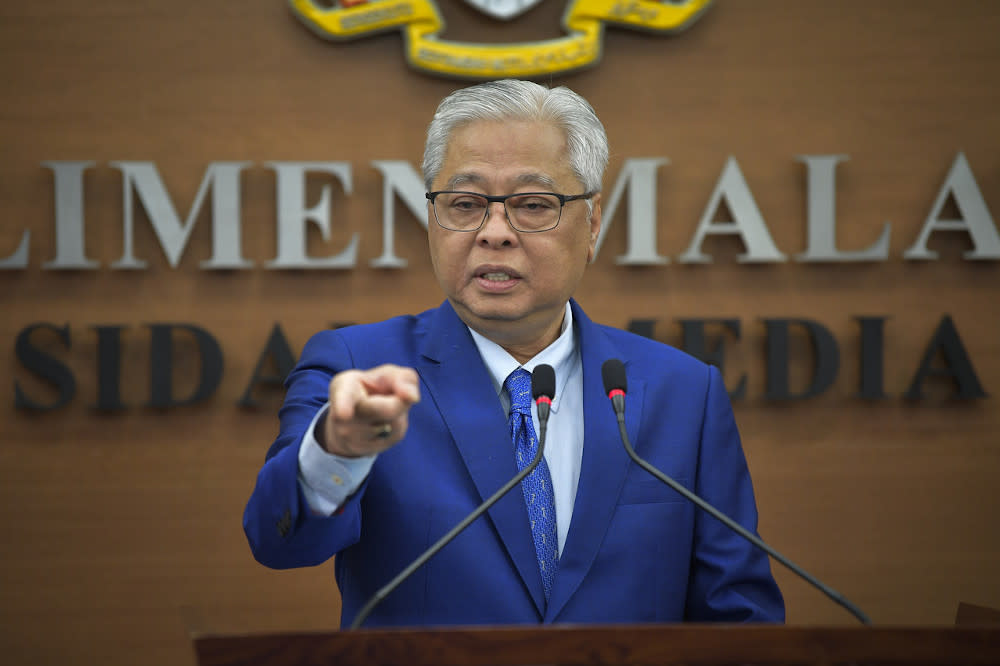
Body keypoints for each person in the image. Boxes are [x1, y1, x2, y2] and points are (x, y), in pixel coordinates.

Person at [243, 79, 784, 627]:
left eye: (531, 205)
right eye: (465, 203)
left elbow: (738, 616)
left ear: (592, 224)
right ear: (433, 218)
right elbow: (277, 542)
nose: (494, 232)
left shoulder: (683, 393)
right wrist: (336, 450)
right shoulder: (360, 371)